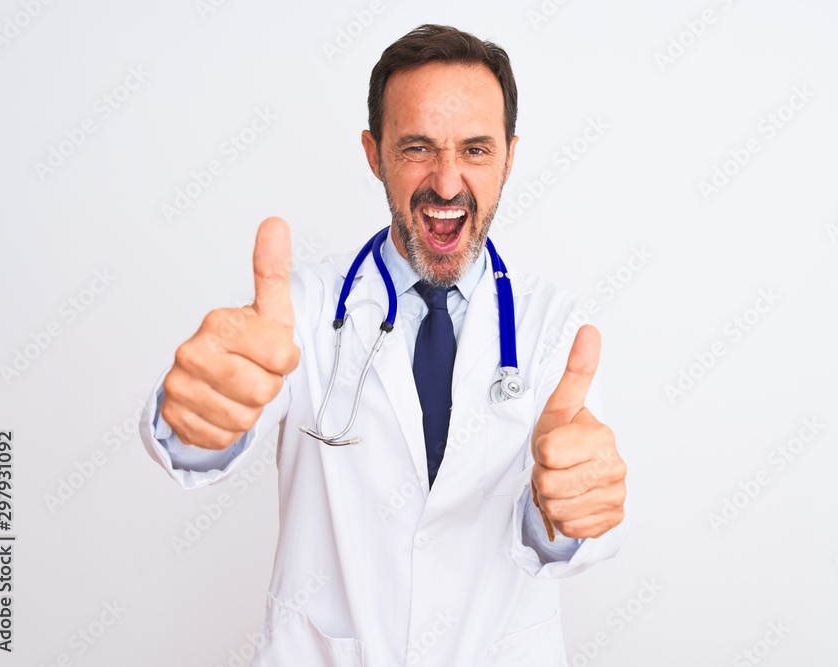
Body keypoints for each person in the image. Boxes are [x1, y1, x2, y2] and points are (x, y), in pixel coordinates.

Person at [140, 24, 628, 666]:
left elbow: (561, 524)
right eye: (418, 148)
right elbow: (214, 426)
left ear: (509, 156)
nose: (448, 183)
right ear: (374, 155)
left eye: (476, 150)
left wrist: (564, 510)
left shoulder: (552, 328)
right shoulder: (305, 309)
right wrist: (198, 424)